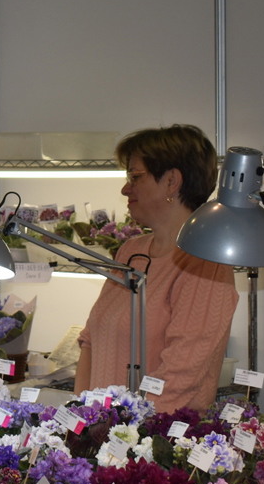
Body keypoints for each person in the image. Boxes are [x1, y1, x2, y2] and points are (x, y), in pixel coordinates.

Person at [75, 124, 238, 413]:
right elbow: (90, 341)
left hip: (151, 433)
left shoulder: (205, 263)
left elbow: (180, 376)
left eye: (135, 177)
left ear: (172, 181)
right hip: (101, 428)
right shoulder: (131, 251)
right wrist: (80, 415)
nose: (125, 188)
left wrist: (124, 428)